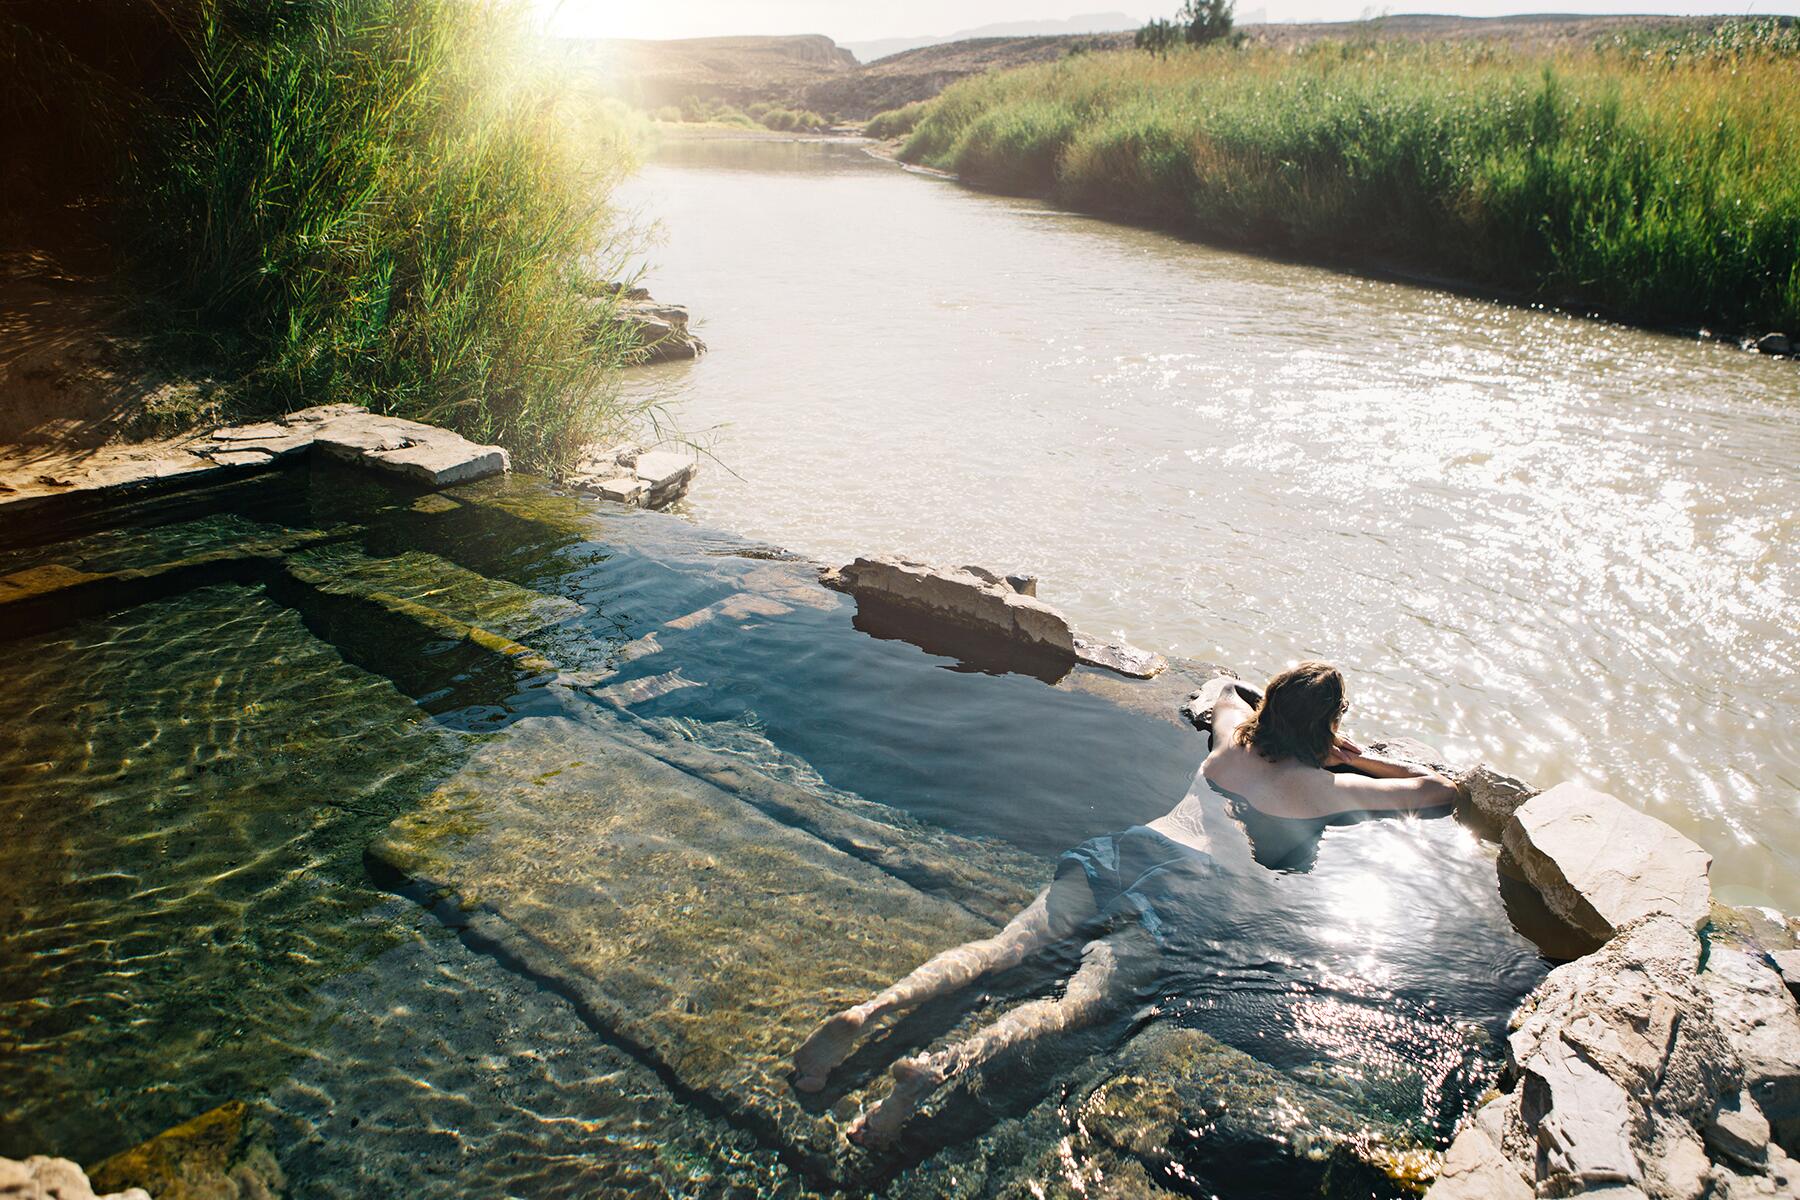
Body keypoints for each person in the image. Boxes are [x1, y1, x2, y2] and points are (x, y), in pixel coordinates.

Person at [790, 660, 1459, 1147]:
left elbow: (1224, 691)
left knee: (1002, 950)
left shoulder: (1230, 749)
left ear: (1273, 706)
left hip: (1130, 848)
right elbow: (1437, 790)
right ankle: (937, 1071)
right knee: (1073, 1007)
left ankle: (869, 1012)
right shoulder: (1323, 788)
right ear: (1328, 727)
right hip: (1186, 891)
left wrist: (1257, 705)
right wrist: (1361, 759)